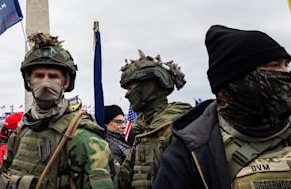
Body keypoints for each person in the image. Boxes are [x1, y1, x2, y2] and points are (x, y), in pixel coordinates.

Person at [154, 25, 291, 188]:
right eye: (273, 66)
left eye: (286, 65)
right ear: (237, 82)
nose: (285, 74)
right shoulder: (190, 154)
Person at [0, 33, 116, 189]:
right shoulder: (20, 134)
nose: (45, 82)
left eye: (53, 76)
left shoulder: (83, 137)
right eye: (39, 75)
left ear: (66, 82)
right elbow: (1, 181)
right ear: (29, 81)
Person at [117, 50, 191, 188]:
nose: (127, 95)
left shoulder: (177, 128)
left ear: (148, 87)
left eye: (130, 87)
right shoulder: (144, 129)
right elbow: (123, 178)